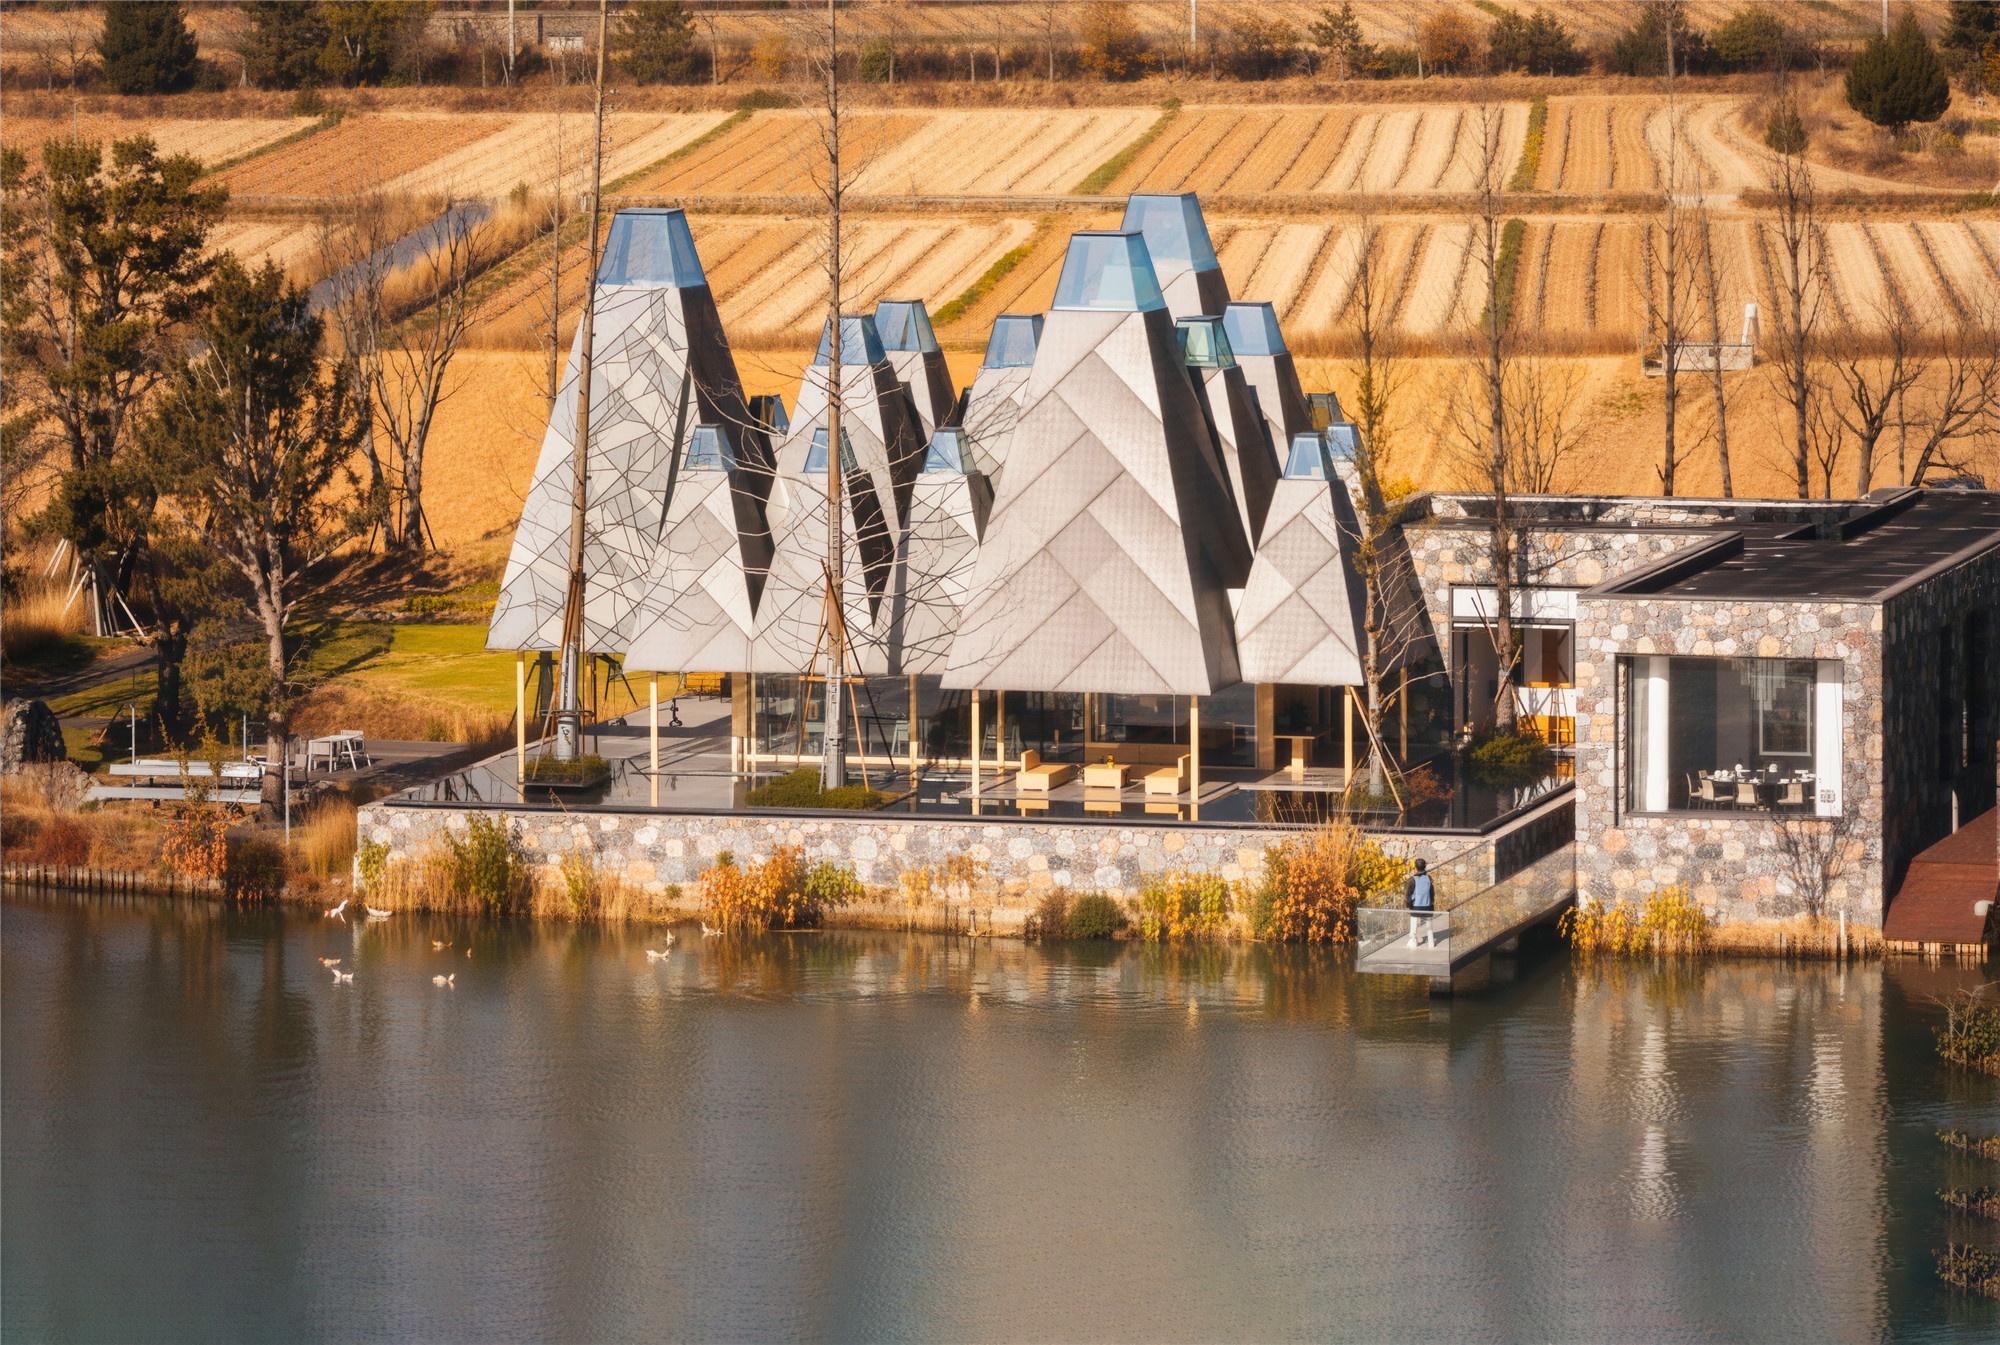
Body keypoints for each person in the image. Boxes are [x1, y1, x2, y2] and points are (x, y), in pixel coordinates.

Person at [1404, 857, 1436, 948]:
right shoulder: (1429, 879)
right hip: (1427, 907)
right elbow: (1432, 894)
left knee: (1414, 923)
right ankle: (1431, 943)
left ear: (1416, 867)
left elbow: (1409, 894)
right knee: (1429, 927)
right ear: (1425, 866)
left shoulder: (1413, 879)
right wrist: (1431, 903)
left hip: (1416, 907)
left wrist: (1409, 905)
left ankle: (1413, 940)